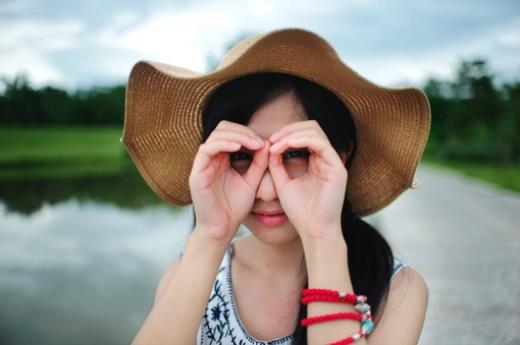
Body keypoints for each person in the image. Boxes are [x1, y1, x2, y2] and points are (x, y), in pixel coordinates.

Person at [121, 28, 430, 345]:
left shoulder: (397, 291)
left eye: (295, 153)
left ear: (341, 155)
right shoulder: (184, 275)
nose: (267, 192)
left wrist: (322, 238)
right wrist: (211, 234)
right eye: (241, 155)